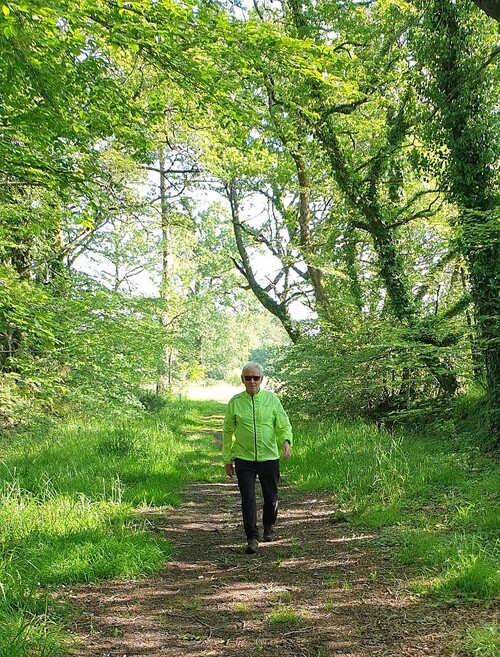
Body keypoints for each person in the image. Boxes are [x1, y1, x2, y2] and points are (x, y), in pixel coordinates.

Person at [223, 362, 293, 554]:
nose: (252, 381)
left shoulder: (271, 400)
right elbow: (228, 431)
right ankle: (251, 537)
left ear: (262, 379)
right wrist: (227, 459)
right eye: (248, 378)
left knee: (271, 498)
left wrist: (286, 441)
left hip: (269, 458)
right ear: (242, 379)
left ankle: (269, 525)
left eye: (256, 377)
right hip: (244, 459)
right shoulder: (235, 402)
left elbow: (283, 424)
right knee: (248, 499)